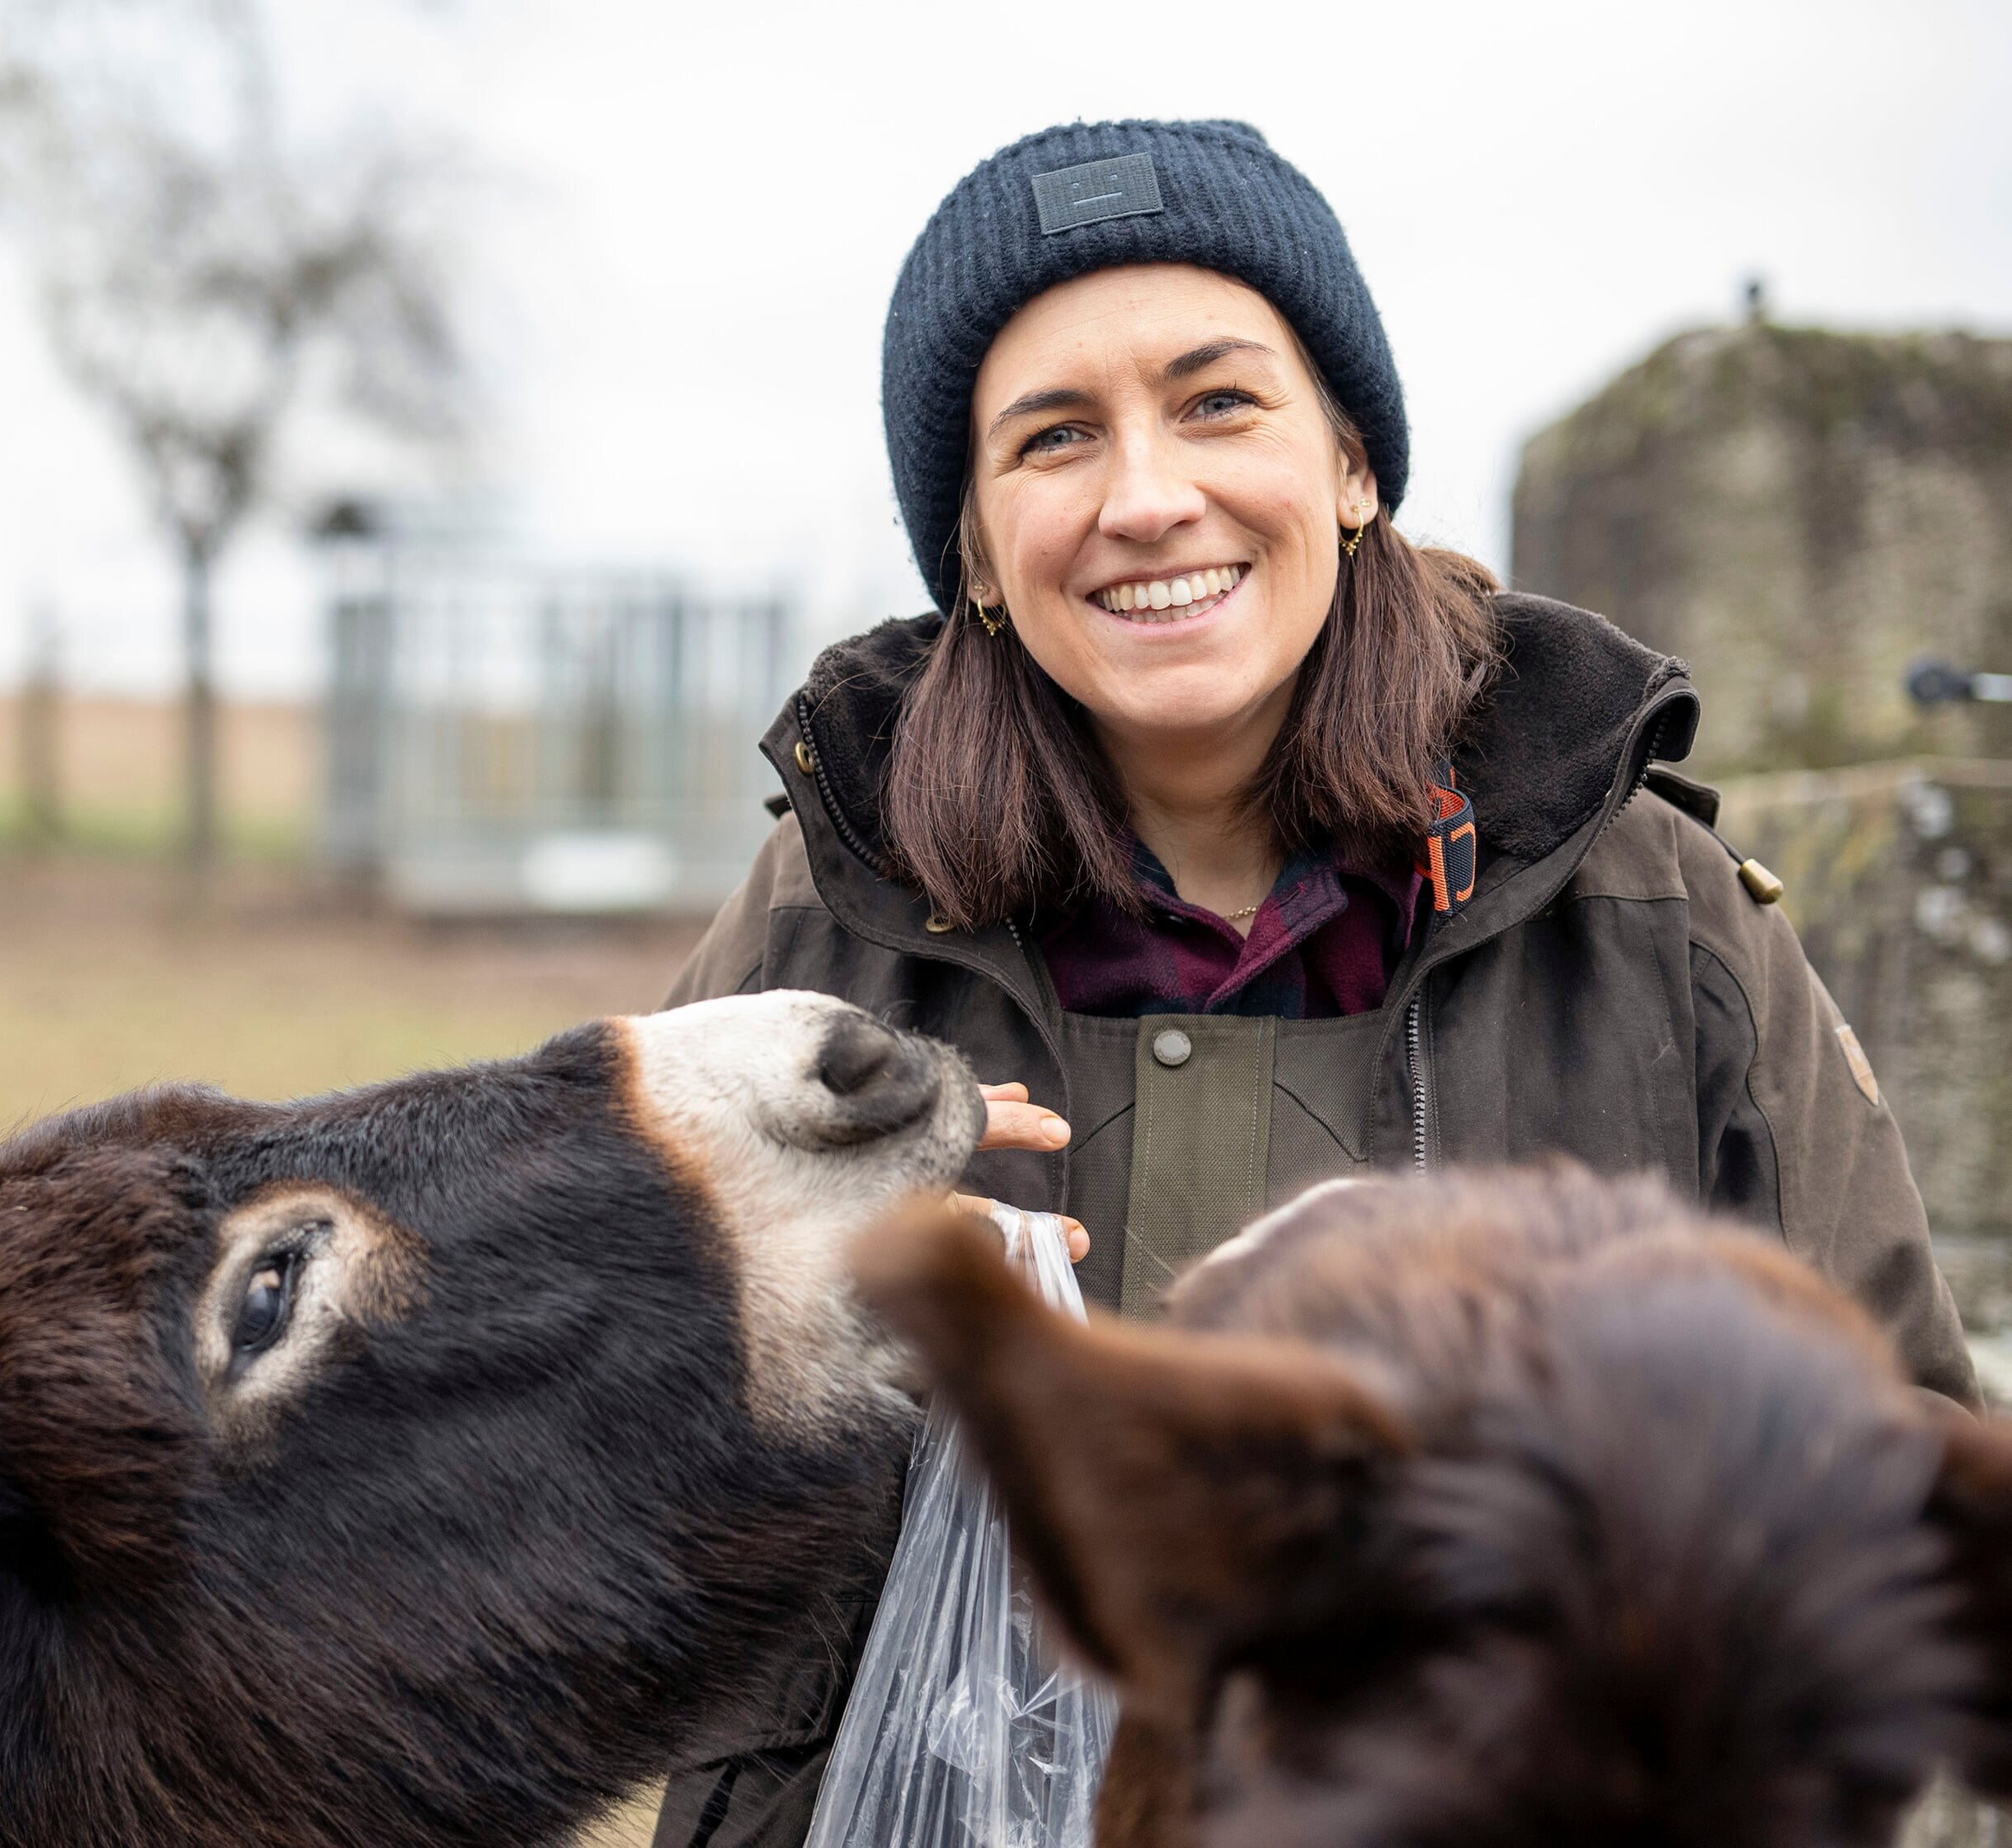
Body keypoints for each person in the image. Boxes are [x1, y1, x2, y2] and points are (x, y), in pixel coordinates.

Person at [649, 117, 1977, 1848]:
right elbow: (593, 1488)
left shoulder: (1649, 914)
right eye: (1052, 438)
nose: (1145, 499)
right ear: (972, 546)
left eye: (1217, 403)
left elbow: (1895, 1474)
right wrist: (815, 1325)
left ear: (1350, 463)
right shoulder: (821, 922)